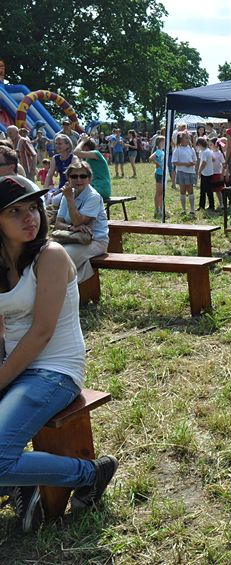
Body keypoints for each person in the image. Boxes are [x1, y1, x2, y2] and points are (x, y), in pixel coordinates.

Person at [0, 175, 118, 534]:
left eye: (33, 207)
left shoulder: (50, 255)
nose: (29, 217)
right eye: (15, 211)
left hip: (53, 370)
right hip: (14, 368)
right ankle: (23, 482)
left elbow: (42, 332)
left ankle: (88, 474)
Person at [53, 160, 109, 283]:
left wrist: (69, 199)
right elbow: (58, 224)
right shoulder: (68, 193)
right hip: (71, 238)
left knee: (61, 257)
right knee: (45, 253)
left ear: (89, 179)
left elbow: (78, 222)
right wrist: (70, 228)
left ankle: (62, 289)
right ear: (68, 178)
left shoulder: (93, 196)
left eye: (83, 176)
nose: (79, 180)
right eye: (74, 176)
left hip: (95, 241)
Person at [72, 135, 112, 200]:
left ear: (85, 147)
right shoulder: (88, 159)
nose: (80, 148)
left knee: (74, 194)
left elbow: (76, 152)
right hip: (95, 187)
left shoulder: (96, 153)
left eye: (80, 146)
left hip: (102, 188)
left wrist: (83, 141)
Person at [44, 134, 76, 207]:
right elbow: (49, 174)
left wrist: (59, 191)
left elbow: (73, 179)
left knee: (55, 200)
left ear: (67, 145)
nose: (57, 146)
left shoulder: (73, 158)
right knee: (43, 198)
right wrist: (45, 190)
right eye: (56, 144)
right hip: (60, 188)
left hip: (71, 189)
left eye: (60, 144)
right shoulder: (55, 158)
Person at [172, 131, 197, 217]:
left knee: (190, 190)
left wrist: (192, 163)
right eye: (186, 138)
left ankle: (192, 209)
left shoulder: (191, 149)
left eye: (188, 138)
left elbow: (195, 160)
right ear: (181, 139)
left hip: (190, 171)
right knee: (182, 190)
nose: (188, 139)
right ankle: (183, 209)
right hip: (181, 172)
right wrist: (185, 164)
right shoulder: (177, 149)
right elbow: (174, 162)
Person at [151, 136, 165, 217]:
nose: (164, 144)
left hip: (163, 173)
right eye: (163, 142)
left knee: (161, 192)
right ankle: (157, 209)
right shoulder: (158, 151)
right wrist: (158, 164)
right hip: (159, 174)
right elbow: (151, 158)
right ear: (159, 143)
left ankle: (161, 208)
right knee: (159, 192)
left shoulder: (162, 152)